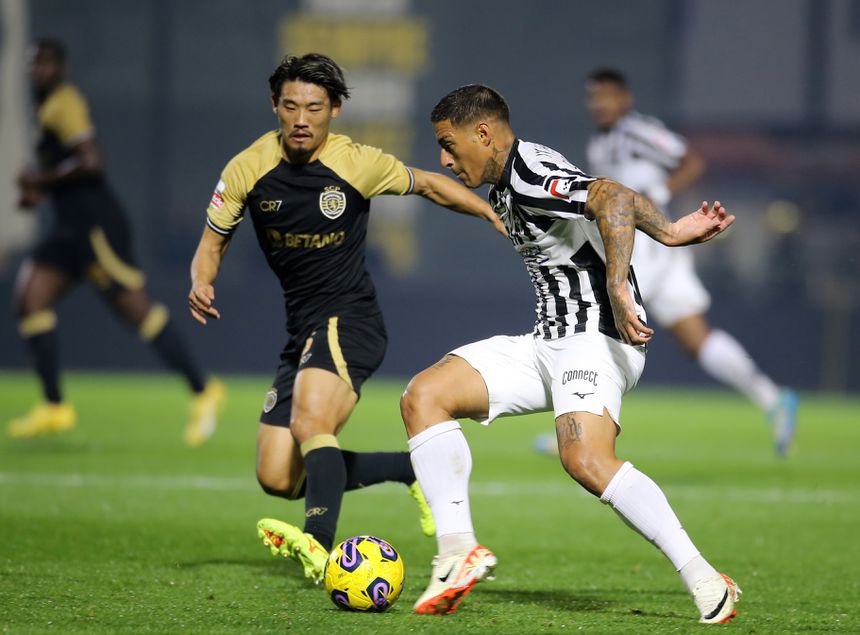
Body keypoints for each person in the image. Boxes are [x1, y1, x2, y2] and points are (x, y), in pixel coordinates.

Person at [401, 84, 741, 623]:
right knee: (425, 396)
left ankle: (704, 577)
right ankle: (457, 551)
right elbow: (611, 195)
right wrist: (671, 231)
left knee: (584, 459)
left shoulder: (526, 174)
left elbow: (614, 198)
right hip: (548, 341)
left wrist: (619, 284)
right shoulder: (508, 181)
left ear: (482, 133)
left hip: (597, 336)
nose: (445, 158)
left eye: (448, 144)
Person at [188, 53, 507, 583]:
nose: (301, 119)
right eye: (290, 106)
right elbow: (211, 242)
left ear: (334, 109)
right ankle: (411, 469)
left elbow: (429, 184)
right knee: (278, 476)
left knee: (310, 423)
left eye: (314, 107)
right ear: (274, 105)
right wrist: (202, 280)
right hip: (301, 330)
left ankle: (318, 544)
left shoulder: (355, 163)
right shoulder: (247, 167)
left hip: (349, 318)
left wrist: (490, 212)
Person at [7, 39, 224, 447]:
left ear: (61, 68)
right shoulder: (43, 106)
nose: (37, 70)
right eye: (32, 63)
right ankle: (54, 407)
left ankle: (203, 388)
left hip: (96, 228)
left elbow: (91, 160)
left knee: (137, 312)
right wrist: (39, 188)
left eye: (46, 63)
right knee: (30, 299)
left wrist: (41, 180)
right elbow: (63, 167)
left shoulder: (63, 102)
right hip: (69, 228)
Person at [583, 68, 797, 455]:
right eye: (594, 97)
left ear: (625, 99)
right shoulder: (600, 144)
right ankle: (773, 398)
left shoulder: (638, 132)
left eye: (607, 96)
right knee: (696, 339)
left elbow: (692, 162)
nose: (599, 104)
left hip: (648, 241)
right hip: (653, 245)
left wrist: (658, 191)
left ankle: (585, 426)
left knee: (605, 315)